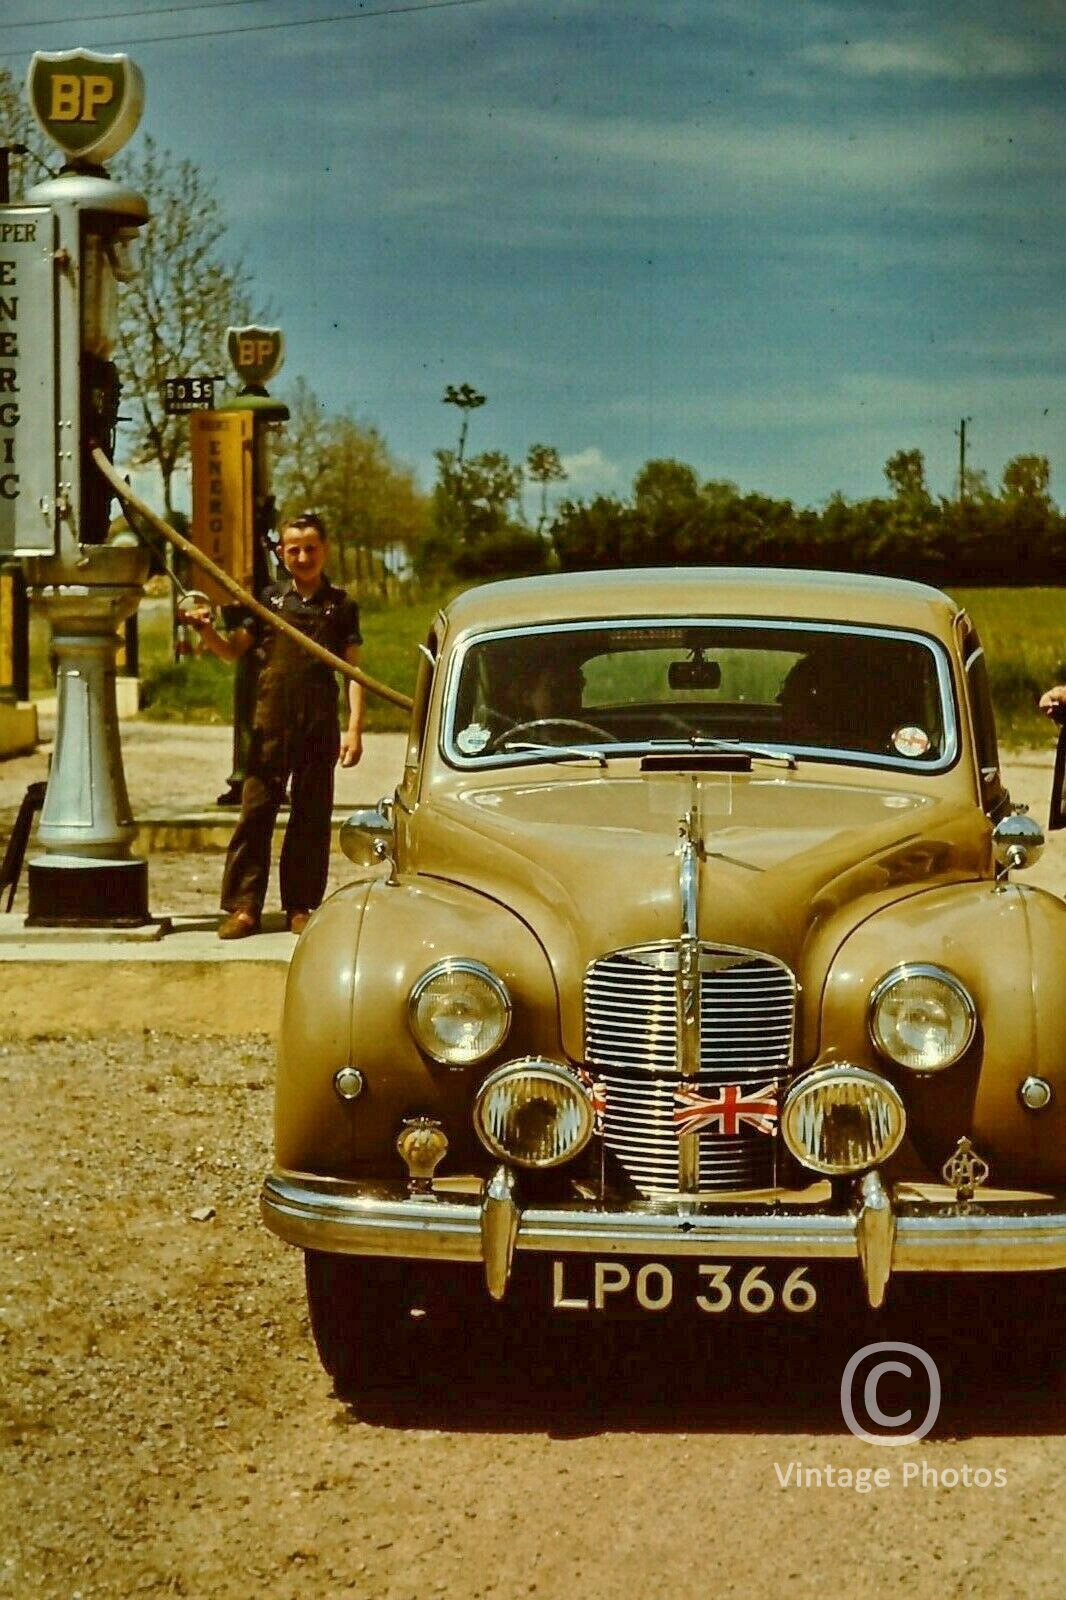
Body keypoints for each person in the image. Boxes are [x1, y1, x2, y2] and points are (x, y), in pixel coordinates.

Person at [182, 511, 364, 939]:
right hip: (271, 723)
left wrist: (354, 728)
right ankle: (244, 907)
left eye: (310, 548)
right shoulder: (267, 600)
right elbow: (230, 652)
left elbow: (354, 673)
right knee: (257, 811)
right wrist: (205, 631)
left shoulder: (341, 605)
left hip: (319, 724)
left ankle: (300, 907)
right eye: (293, 549)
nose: (302, 557)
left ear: (325, 550)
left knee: (312, 815)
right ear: (282, 553)